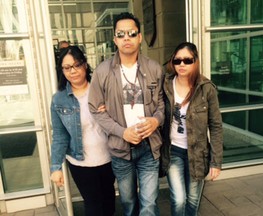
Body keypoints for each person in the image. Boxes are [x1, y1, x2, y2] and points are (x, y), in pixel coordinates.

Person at [88, 12, 165, 216]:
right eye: (121, 34)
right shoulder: (102, 72)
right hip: (120, 150)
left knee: (149, 204)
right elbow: (95, 109)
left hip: (149, 147)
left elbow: (161, 105)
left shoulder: (154, 68)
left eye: (131, 33)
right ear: (114, 39)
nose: (126, 38)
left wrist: (156, 121)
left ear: (139, 37)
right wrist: (122, 132)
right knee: (129, 203)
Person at [50, 46, 115, 216]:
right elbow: (59, 135)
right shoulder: (59, 99)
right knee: (93, 205)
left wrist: (111, 109)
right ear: (62, 71)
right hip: (81, 162)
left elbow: (120, 119)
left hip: (109, 157)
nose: (73, 71)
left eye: (77, 65)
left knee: (109, 202)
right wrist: (55, 167)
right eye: (67, 67)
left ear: (85, 65)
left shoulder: (103, 90)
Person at [160, 42, 223, 216]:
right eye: (177, 60)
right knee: (179, 199)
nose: (181, 64)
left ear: (195, 61)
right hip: (173, 151)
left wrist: (216, 162)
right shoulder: (165, 84)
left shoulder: (206, 88)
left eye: (187, 60)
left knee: (193, 199)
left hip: (198, 153)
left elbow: (216, 126)